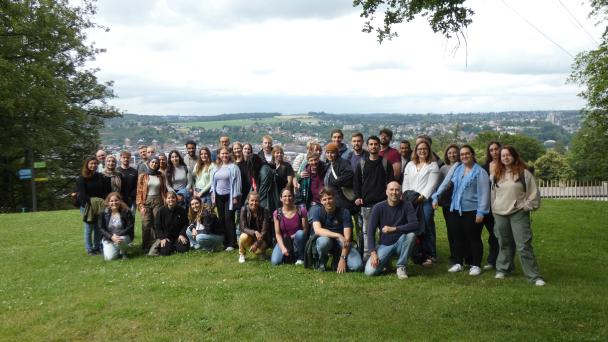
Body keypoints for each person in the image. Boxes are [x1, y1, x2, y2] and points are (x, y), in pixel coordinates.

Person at [432, 145, 490, 276]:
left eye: (467, 153)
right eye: (462, 154)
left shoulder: (480, 172)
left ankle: (475, 265)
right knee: (457, 238)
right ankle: (458, 263)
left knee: (474, 238)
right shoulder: (457, 168)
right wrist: (436, 197)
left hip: (472, 211)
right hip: (455, 209)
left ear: (472, 154)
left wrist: (481, 212)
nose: (464, 156)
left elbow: (484, 194)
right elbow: (445, 183)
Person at [492, 145, 545, 286]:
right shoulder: (497, 174)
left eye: (508, 155)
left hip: (518, 214)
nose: (505, 157)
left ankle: (533, 276)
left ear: (514, 156)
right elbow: (493, 194)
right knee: (504, 243)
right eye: (503, 155)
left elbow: (533, 194)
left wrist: (525, 207)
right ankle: (503, 269)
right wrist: (494, 208)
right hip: (499, 213)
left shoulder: (524, 173)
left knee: (523, 245)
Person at [364, 182, 419, 278]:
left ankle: (401, 266)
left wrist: (394, 229)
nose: (394, 192)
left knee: (411, 235)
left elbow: (415, 225)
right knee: (369, 272)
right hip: (384, 245)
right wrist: (373, 253)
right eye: (391, 189)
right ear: (386, 192)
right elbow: (370, 232)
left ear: (401, 193)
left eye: (397, 190)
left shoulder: (407, 205)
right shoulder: (378, 207)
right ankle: (386, 263)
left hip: (401, 243)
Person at [353, 135, 394, 258]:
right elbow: (357, 183)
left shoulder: (386, 163)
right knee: (367, 231)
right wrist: (358, 196)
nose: (373, 146)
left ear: (379, 146)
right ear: (367, 146)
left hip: (383, 203)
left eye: (376, 144)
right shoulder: (362, 164)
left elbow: (391, 182)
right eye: (371, 144)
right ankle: (367, 256)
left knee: (384, 231)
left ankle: (383, 255)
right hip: (366, 203)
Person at [402, 139, 440, 266]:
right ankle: (417, 254)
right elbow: (405, 184)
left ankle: (431, 254)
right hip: (410, 200)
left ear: (429, 150)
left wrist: (420, 198)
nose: (422, 151)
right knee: (413, 227)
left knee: (427, 226)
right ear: (415, 151)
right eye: (419, 149)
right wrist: (406, 198)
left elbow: (431, 185)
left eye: (425, 149)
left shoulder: (433, 166)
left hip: (425, 202)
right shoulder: (410, 165)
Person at [309, 187, 362, 273]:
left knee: (357, 266)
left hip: (342, 244)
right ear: (321, 201)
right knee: (323, 241)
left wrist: (343, 259)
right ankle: (321, 261)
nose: (327, 202)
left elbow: (347, 239)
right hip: (327, 241)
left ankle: (337, 259)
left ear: (335, 198)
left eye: (330, 198)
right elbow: (318, 230)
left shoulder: (344, 212)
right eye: (324, 199)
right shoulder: (317, 211)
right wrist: (338, 235)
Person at [76, 156, 111, 255]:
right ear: (87, 165)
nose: (93, 165)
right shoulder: (81, 178)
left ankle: (97, 246)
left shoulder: (100, 176)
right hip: (87, 206)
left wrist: (103, 201)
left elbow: (104, 191)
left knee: (98, 227)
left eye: (95, 164)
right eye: (91, 163)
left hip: (99, 206)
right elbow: (82, 193)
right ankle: (89, 249)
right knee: (89, 228)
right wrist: (91, 202)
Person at [211, 147, 242, 251]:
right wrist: (213, 196)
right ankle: (225, 242)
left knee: (229, 219)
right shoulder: (216, 167)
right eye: (222, 154)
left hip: (230, 196)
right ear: (219, 155)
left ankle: (232, 243)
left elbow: (238, 182)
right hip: (219, 196)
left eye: (226, 153)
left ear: (229, 154)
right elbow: (213, 183)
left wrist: (235, 197)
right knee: (222, 219)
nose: (224, 155)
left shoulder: (234, 167)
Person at [136, 156, 168, 251]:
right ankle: (145, 246)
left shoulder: (161, 176)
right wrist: (140, 205)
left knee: (157, 223)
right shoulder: (143, 176)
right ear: (149, 163)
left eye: (156, 163)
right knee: (146, 224)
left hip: (158, 200)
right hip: (146, 200)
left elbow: (164, 190)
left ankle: (155, 245)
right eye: (153, 162)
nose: (154, 164)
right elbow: (139, 192)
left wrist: (165, 200)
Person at [271, 188, 309, 265]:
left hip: (298, 239)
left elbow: (305, 229)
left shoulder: (301, 210)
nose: (287, 198)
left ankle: (300, 257)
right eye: (285, 196)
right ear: (281, 198)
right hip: (284, 240)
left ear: (293, 197)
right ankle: (289, 254)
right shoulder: (277, 213)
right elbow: (278, 234)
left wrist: (293, 236)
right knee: (275, 262)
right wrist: (283, 248)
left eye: (290, 196)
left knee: (300, 233)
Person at [437, 144, 460, 266]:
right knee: (451, 230)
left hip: (462, 203)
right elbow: (440, 186)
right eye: (450, 153)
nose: (452, 155)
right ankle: (454, 255)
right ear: (446, 155)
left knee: (463, 230)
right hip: (448, 203)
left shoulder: (464, 166)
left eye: (455, 152)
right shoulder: (443, 169)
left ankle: (465, 255)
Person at [481, 141, 502, 270]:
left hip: (502, 204)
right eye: (491, 150)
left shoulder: (506, 165)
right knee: (492, 234)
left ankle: (500, 260)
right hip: (487, 205)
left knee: (499, 233)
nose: (494, 152)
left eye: (496, 149)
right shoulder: (484, 167)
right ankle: (492, 260)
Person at [99, 192, 134, 261]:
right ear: (108, 202)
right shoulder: (103, 213)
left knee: (120, 240)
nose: (114, 203)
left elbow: (130, 227)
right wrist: (111, 237)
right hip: (109, 238)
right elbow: (101, 228)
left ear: (120, 201)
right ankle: (123, 248)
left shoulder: (126, 211)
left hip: (123, 236)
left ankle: (124, 253)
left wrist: (117, 236)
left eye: (116, 200)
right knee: (110, 258)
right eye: (111, 201)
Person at [153, 191, 190, 256]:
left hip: (178, 236)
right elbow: (157, 226)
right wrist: (162, 238)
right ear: (166, 199)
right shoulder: (161, 211)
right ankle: (171, 246)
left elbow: (186, 224)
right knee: (165, 252)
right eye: (169, 198)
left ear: (176, 199)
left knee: (183, 249)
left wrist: (182, 234)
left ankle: (175, 246)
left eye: (173, 198)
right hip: (166, 237)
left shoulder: (181, 210)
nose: (171, 200)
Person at [238, 191, 271, 263]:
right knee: (243, 237)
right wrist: (255, 232)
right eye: (252, 200)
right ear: (248, 201)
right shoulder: (244, 209)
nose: (254, 203)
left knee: (258, 251)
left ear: (259, 202)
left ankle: (261, 253)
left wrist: (256, 244)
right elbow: (243, 228)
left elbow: (264, 231)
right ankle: (242, 254)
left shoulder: (264, 211)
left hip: (261, 238)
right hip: (249, 236)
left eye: (256, 201)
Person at [323, 143, 356, 213]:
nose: (329, 155)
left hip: (342, 200)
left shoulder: (342, 163)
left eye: (332, 153)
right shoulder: (330, 163)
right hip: (334, 199)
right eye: (327, 153)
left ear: (337, 153)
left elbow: (350, 174)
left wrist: (336, 182)